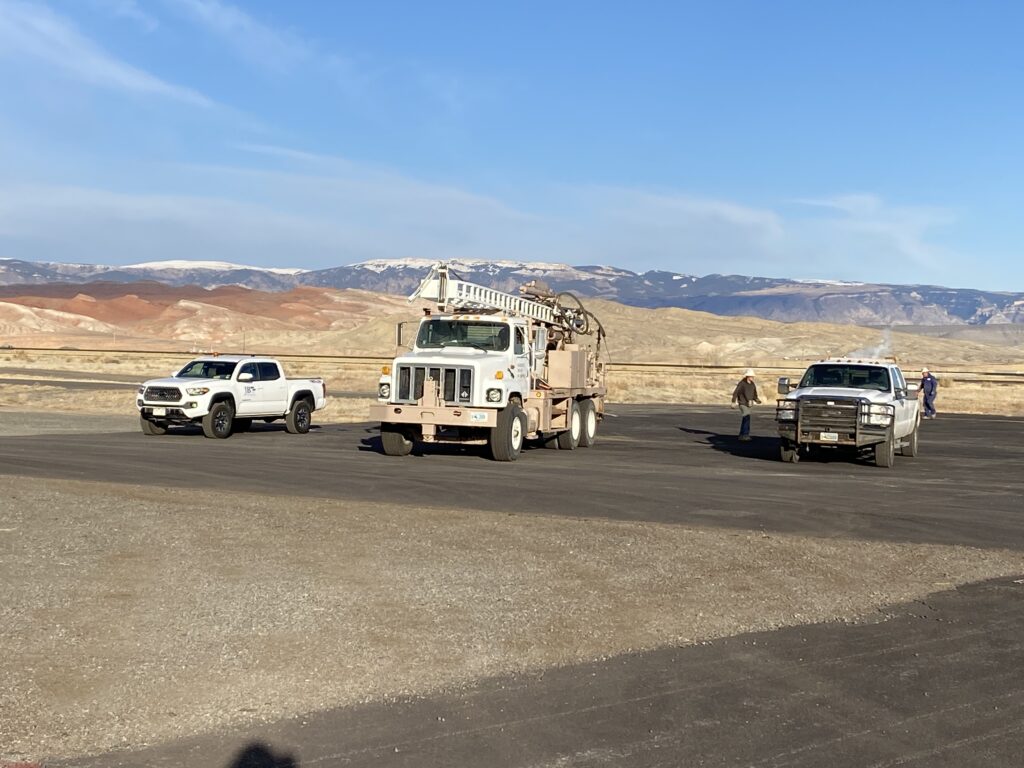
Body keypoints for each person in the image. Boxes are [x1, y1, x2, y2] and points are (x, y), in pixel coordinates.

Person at [731, 368, 761, 441]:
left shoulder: (752, 384)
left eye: (753, 376)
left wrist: (756, 399)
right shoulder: (742, 384)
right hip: (743, 403)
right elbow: (736, 393)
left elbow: (754, 393)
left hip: (749, 404)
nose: (752, 377)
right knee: (746, 416)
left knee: (747, 418)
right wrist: (733, 402)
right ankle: (745, 434)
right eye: (751, 376)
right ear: (747, 376)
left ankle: (742, 434)